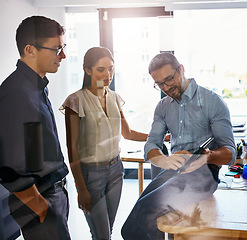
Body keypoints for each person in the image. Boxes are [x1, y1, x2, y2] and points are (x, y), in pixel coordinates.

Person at [121, 52, 236, 240]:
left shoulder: (213, 102)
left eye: (169, 79)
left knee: (142, 218)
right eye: (159, 84)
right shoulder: (163, 107)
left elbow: (230, 153)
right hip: (173, 171)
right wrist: (163, 159)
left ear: (181, 69)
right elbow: (151, 144)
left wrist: (206, 155)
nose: (166, 87)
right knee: (132, 228)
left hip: (204, 175)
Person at [60, 47, 149, 240]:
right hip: (90, 175)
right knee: (101, 235)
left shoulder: (115, 98)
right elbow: (72, 148)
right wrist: (81, 188)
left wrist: (159, 137)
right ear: (88, 70)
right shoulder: (75, 101)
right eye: (101, 69)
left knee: (107, 231)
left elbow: (128, 133)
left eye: (111, 68)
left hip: (116, 169)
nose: (108, 74)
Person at [0, 16, 70, 239]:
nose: (63, 56)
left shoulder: (37, 86)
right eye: (57, 49)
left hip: (52, 193)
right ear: (30, 50)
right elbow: (10, 164)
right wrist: (40, 206)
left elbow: (32, 147)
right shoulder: (15, 93)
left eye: (63, 47)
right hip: (41, 199)